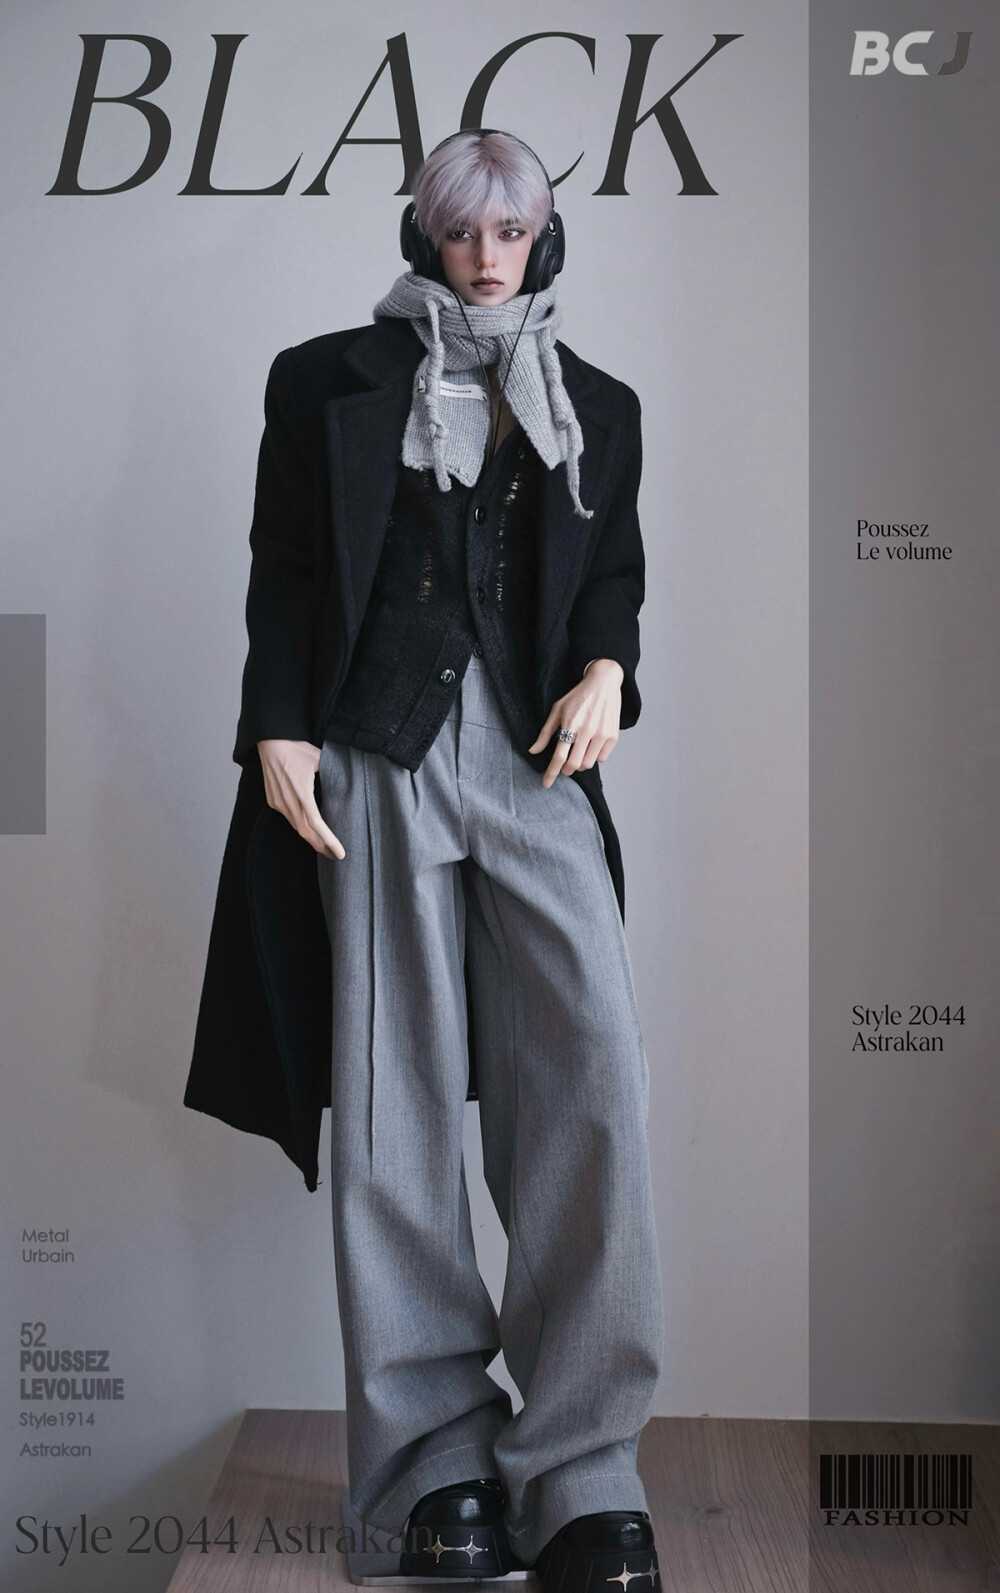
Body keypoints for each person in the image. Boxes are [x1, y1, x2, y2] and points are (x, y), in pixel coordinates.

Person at [190, 128, 664, 1590]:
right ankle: (430, 1470)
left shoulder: (596, 403)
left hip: (536, 760)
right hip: (375, 757)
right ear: (425, 235)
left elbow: (615, 570)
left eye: (511, 232)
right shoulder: (324, 381)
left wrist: (609, 670)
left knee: (590, 1083)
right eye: (464, 232)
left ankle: (582, 1472)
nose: (487, 257)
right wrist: (276, 726)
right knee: (393, 1108)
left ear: (545, 237)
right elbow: (285, 565)